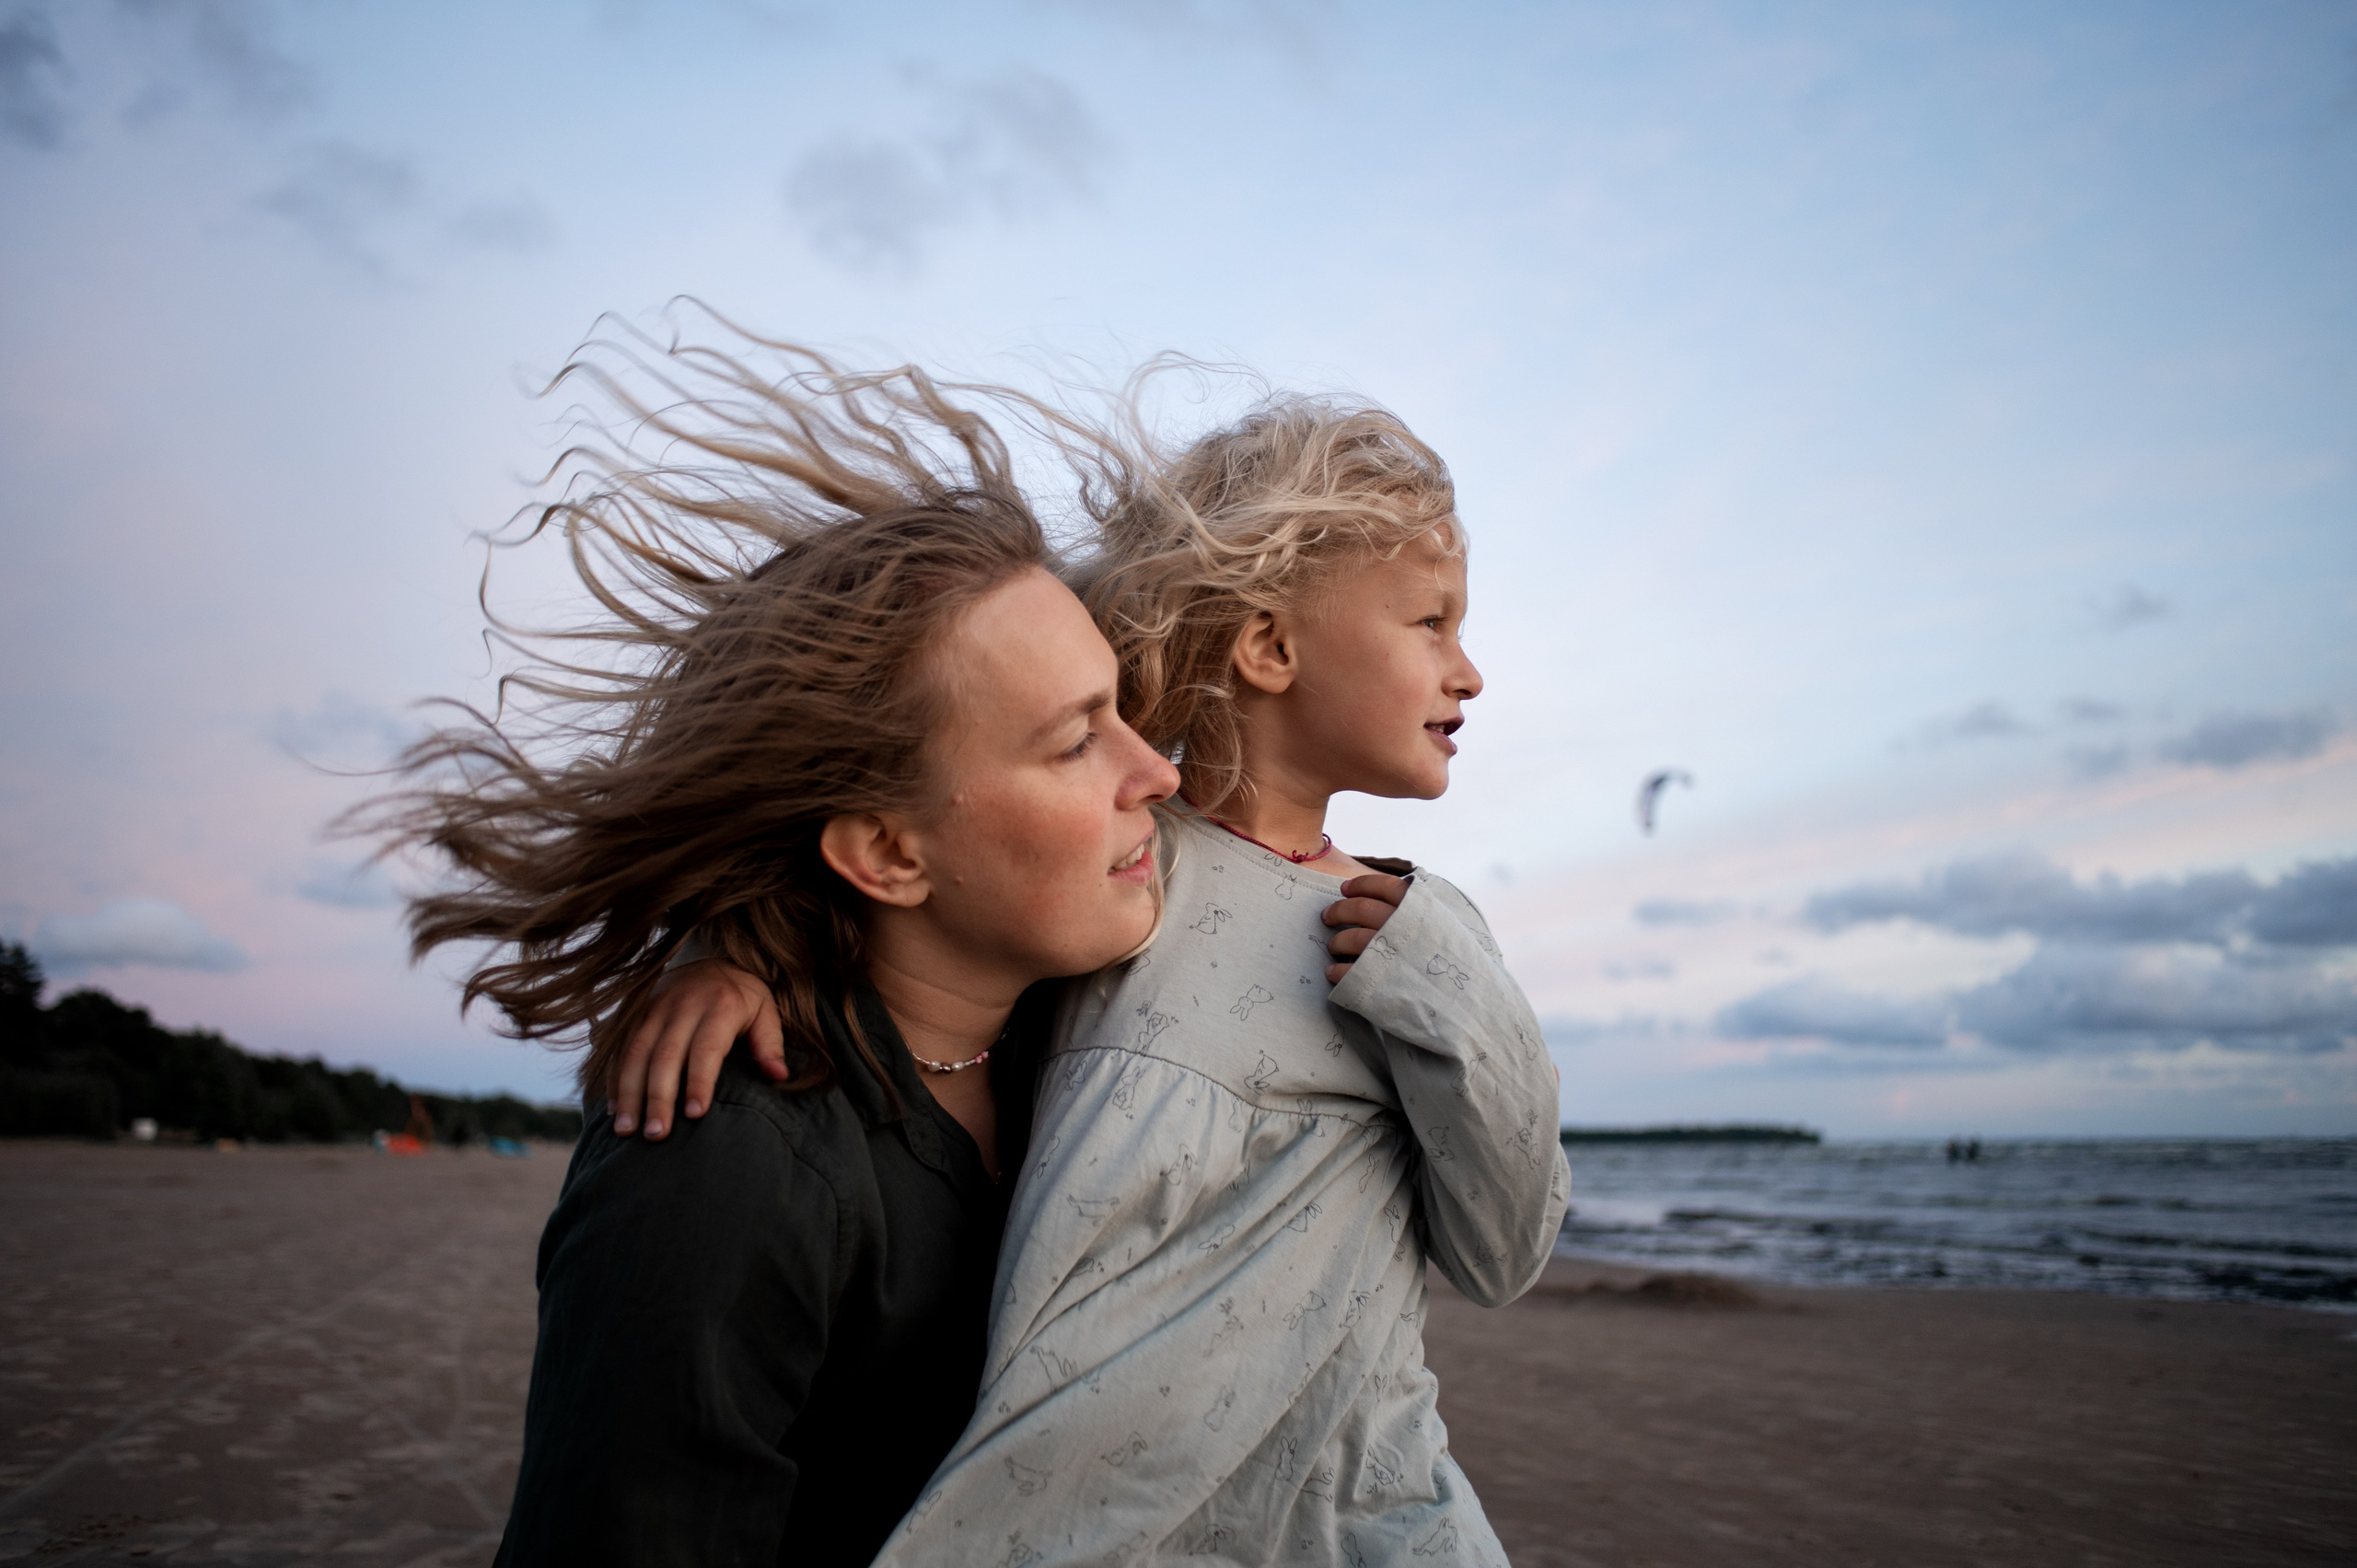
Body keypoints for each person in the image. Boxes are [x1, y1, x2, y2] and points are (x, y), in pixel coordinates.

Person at [628, 383, 1569, 1564]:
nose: (1468, 670)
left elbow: (1502, 1248)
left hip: (1368, 1518)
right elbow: (908, 859)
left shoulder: (1417, 929)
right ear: (1270, 645)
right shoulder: (1109, 875)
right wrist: (731, 953)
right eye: (1430, 623)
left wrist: (1448, 984)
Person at [370, 323, 1179, 1566]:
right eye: (1076, 740)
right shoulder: (725, 1159)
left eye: (1122, 711)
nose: (1157, 770)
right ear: (888, 854)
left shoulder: (1082, 1033)